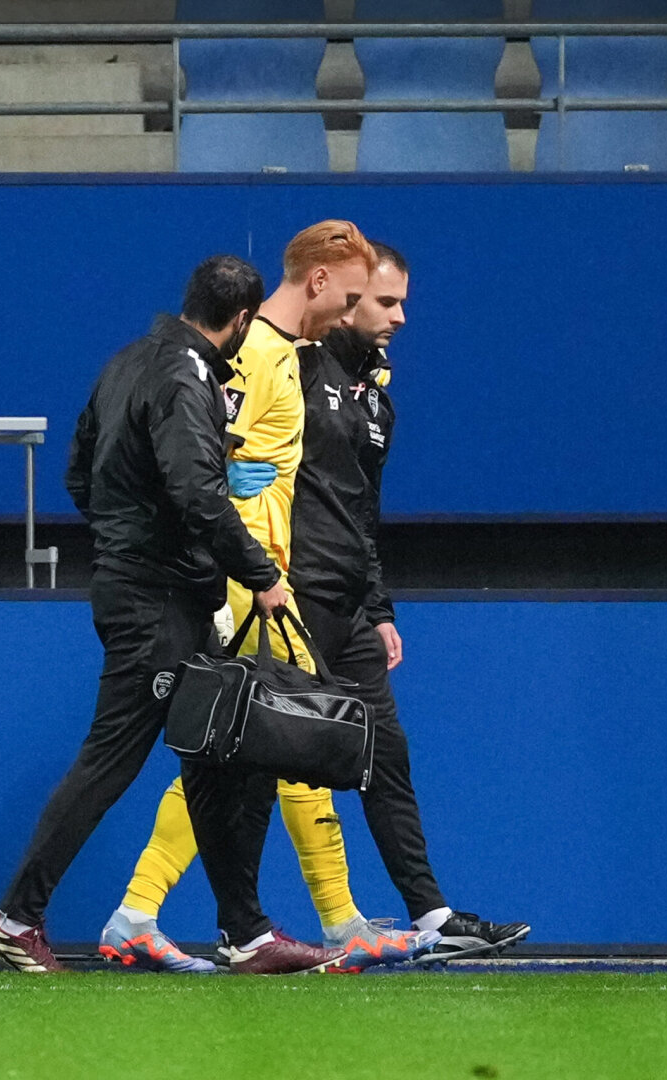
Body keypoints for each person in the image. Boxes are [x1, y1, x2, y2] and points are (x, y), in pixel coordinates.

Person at [111, 243, 528, 969]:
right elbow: (202, 451)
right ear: (337, 291)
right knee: (260, 751)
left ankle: (418, 916)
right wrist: (243, 549)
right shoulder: (287, 358)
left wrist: (378, 604)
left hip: (342, 599)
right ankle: (160, 913)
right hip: (283, 588)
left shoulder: (374, 395)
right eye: (379, 301)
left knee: (360, 750)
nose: (396, 316)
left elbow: (362, 510)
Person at [0, 255, 348, 976]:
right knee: (112, 758)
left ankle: (246, 932)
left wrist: (128, 536)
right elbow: (198, 495)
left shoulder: (124, 363)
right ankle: (15, 920)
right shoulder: (187, 376)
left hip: (150, 589)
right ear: (241, 320)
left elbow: (80, 475)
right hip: (159, 600)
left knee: (221, 757)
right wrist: (261, 574)